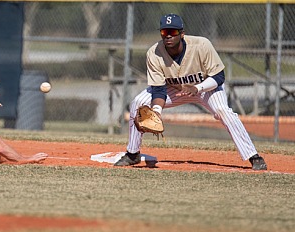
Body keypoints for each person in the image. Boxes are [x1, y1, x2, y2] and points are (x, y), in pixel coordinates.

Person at [114, 13, 267, 170]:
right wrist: (156, 111)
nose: (168, 36)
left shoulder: (201, 45)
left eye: (173, 32)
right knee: (138, 102)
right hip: (175, 89)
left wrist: (197, 88)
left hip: (205, 87)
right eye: (164, 32)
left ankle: (253, 156)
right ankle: (133, 154)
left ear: (182, 34)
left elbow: (219, 76)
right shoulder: (154, 53)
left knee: (223, 111)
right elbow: (159, 90)